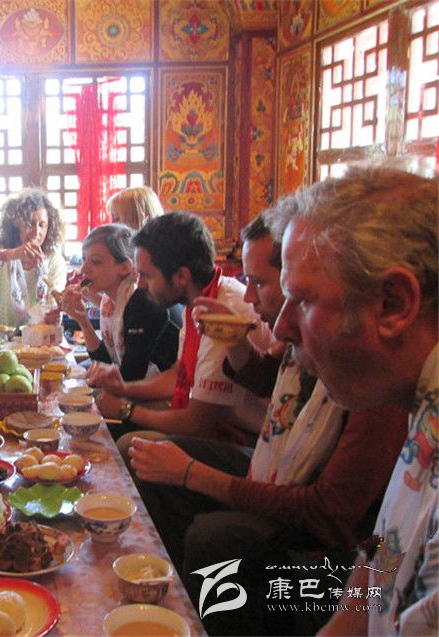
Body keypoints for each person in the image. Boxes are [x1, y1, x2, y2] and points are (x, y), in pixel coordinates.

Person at [126, 209, 408, 635]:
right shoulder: (309, 338)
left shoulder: (376, 378)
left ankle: (212, 611)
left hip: (332, 551)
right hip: (280, 466)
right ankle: (184, 592)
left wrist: (192, 474)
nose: (252, 298)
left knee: (214, 536)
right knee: (146, 455)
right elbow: (266, 378)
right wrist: (233, 341)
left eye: (261, 283)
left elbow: (328, 516)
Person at [267, 166, 437, 636]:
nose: (281, 327)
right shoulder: (421, 405)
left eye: (303, 300)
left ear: (393, 304)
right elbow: (380, 567)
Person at [96, 212, 274, 443]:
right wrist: (123, 389)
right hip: (216, 423)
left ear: (181, 276)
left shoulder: (222, 312)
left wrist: (125, 410)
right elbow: (179, 375)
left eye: (147, 276)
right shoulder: (198, 300)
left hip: (244, 438)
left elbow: (197, 424)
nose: (141, 285)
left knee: (127, 443)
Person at [56, 223, 179, 387]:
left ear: (125, 267)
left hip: (165, 395)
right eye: (84, 259)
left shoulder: (142, 301)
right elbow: (106, 364)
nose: (84, 269)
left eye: (96, 261)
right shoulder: (110, 301)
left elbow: (129, 377)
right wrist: (83, 321)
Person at [0, 189, 67, 331]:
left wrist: (54, 314)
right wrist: (10, 254)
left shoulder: (54, 259)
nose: (36, 232)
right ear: (16, 224)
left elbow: (53, 304)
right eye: (30, 224)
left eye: (42, 225)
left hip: (34, 331)